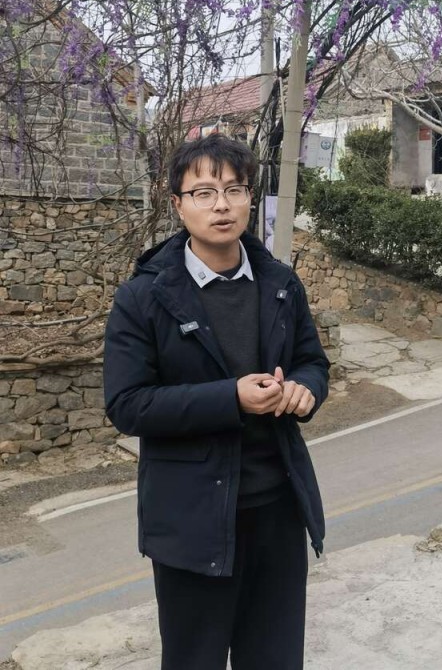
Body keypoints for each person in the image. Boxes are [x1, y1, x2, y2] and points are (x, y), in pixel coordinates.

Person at [103, 134, 329, 670]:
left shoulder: (280, 282)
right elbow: (128, 404)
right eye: (203, 192)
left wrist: (305, 389)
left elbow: (312, 362)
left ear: (250, 197)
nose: (221, 205)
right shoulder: (144, 297)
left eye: (233, 189)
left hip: (277, 509)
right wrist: (231, 398)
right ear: (177, 204)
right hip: (191, 520)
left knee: (275, 658)